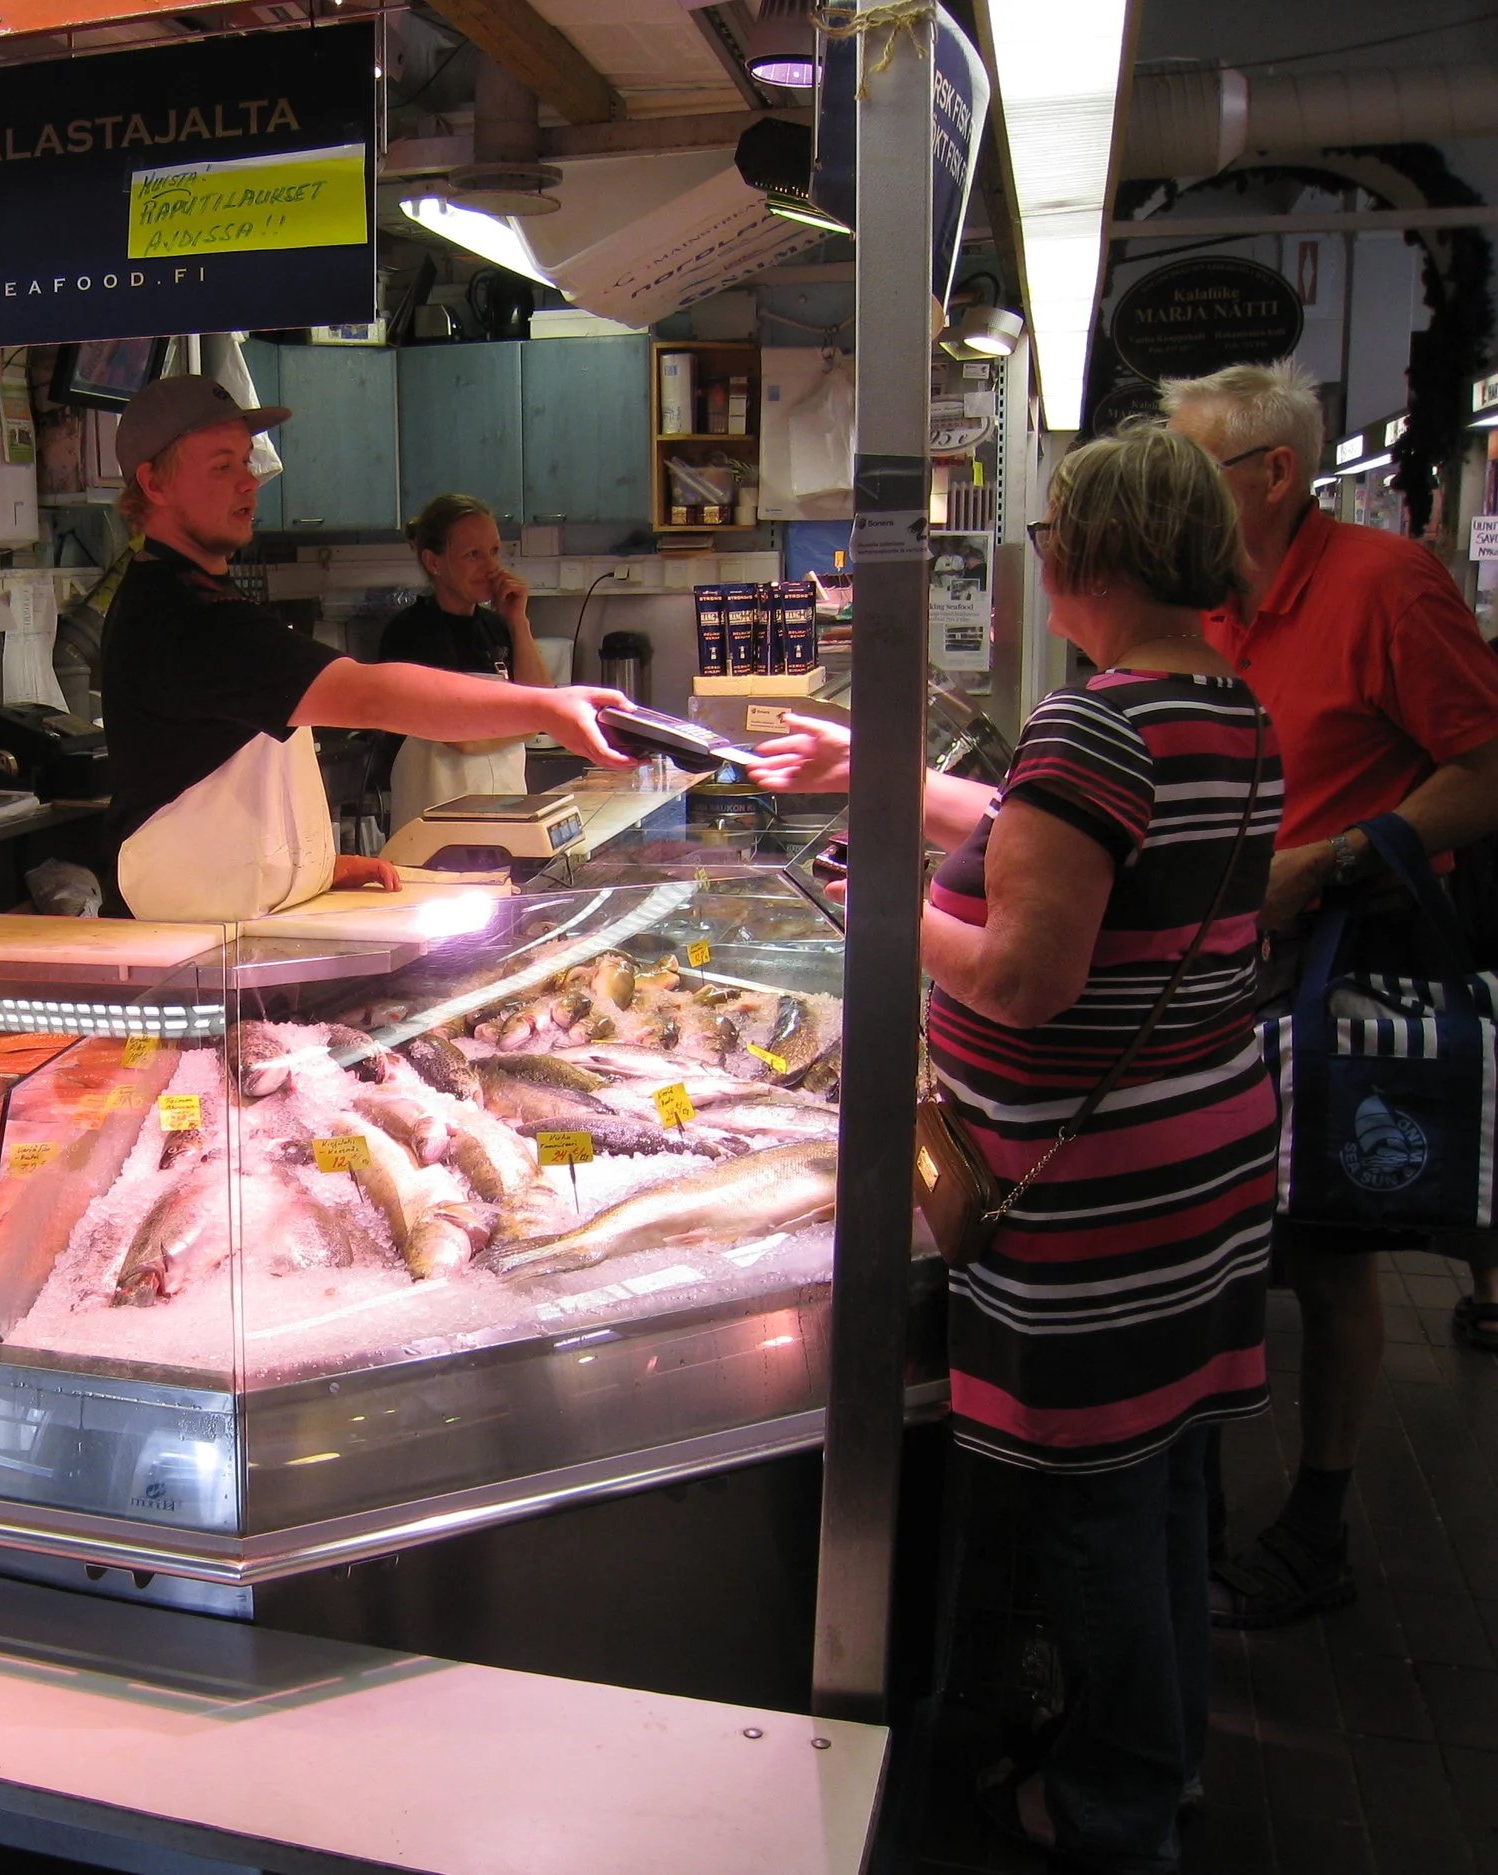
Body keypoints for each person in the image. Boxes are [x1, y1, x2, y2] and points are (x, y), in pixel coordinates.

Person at [756, 426, 1279, 1874]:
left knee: (1091, 1512)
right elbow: (1047, 837)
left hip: (1097, 1188)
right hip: (1205, 1159)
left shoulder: (1096, 722)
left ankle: (1113, 1807)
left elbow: (1019, 975)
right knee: (1163, 1478)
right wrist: (880, 774)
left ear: (1085, 558)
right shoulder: (1222, 705)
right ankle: (1160, 1762)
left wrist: (861, 901)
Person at [1163, 359, 1498, 1628]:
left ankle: (1317, 1524)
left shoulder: (1385, 587)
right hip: (1223, 953)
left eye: (1194, 468)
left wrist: (1335, 856)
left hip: (1343, 955)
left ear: (1274, 475)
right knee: (1224, 1228)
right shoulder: (1212, 598)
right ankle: (1191, 1496)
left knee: (1328, 1243)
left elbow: (1486, 766)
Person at [100, 376, 632, 921]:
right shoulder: (185, 615)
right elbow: (370, 698)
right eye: (221, 466)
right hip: (186, 944)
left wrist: (310, 870)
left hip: (236, 918)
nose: (249, 483)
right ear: (154, 485)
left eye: (245, 461)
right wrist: (548, 706)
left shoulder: (198, 595)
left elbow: (216, 770)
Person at [378, 494, 553, 831]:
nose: (490, 567)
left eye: (495, 551)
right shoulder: (412, 633)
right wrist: (525, 723)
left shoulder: (496, 627)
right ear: (434, 562)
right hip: (434, 828)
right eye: (473, 554)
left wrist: (519, 623)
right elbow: (462, 738)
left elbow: (544, 709)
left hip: (505, 821)